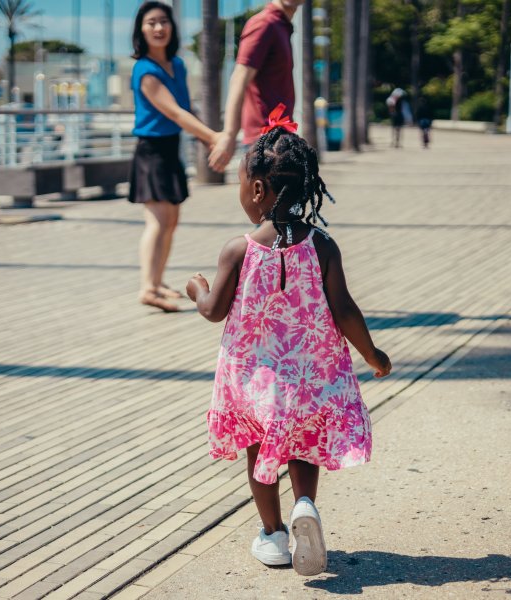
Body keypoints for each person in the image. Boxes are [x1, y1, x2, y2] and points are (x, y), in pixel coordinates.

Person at [186, 123, 392, 575]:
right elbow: (344, 310)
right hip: (309, 380)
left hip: (254, 383)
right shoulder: (322, 246)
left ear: (257, 188)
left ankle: (274, 535)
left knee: (259, 450)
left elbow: (213, 310)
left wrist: (195, 287)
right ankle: (305, 506)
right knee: (301, 446)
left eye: (241, 184)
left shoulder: (237, 250)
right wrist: (373, 355)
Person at [129, 1, 219, 312]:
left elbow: (187, 109)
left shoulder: (177, 65)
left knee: (171, 221)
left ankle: (157, 281)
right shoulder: (144, 69)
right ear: (141, 30)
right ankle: (147, 287)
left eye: (163, 21)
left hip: (170, 149)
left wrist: (207, 140)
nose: (158, 28)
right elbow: (175, 112)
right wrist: (212, 137)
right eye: (151, 22)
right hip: (150, 151)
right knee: (157, 221)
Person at [208, 0, 304, 172]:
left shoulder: (281, 26)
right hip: (264, 143)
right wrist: (229, 134)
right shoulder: (264, 24)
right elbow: (239, 78)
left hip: (280, 138)